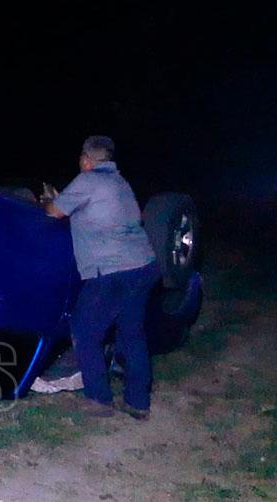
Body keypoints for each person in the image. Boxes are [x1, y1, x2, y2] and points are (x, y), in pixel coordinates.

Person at [41, 135, 160, 419]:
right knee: (132, 334)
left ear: (86, 160)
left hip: (112, 271)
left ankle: (99, 400)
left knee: (84, 330)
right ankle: (138, 402)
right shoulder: (120, 183)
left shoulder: (88, 180)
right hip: (143, 267)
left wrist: (48, 201)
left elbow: (54, 212)